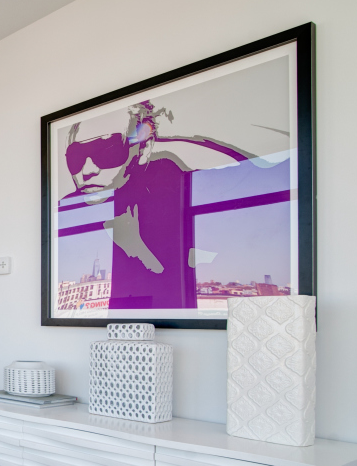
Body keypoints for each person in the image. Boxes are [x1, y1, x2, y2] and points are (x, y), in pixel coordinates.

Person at [61, 101, 249, 310]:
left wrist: (137, 249)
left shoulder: (170, 186)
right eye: (76, 157)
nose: (87, 170)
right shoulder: (63, 209)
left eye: (107, 152)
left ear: (145, 147)